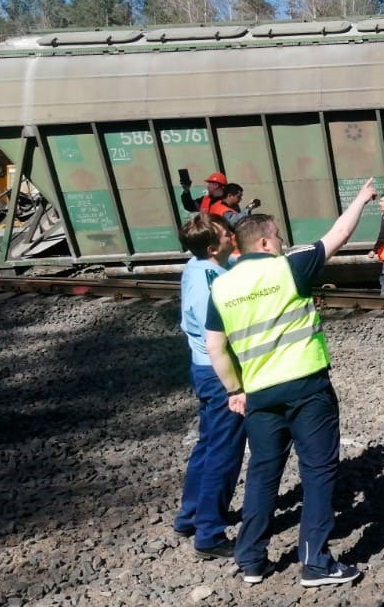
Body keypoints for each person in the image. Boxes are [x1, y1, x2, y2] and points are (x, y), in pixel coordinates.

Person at [203, 178, 379, 587]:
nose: (281, 241)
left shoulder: (222, 286)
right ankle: (315, 563)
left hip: (260, 394)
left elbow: (216, 348)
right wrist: (361, 199)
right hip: (306, 387)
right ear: (263, 243)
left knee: (263, 473)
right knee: (318, 471)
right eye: (277, 236)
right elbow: (339, 234)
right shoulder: (289, 268)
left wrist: (235, 390)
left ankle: (250, 560)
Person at [172, 213, 246, 561]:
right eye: (227, 233)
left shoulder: (198, 265)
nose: (234, 235)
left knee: (207, 445)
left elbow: (227, 263)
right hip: (219, 375)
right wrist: (235, 389)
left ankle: (190, 516)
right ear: (214, 247)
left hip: (203, 371)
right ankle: (209, 534)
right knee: (224, 452)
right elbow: (218, 340)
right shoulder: (209, 285)